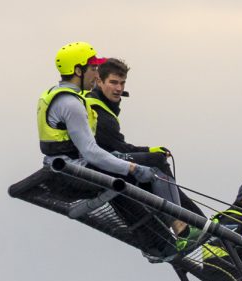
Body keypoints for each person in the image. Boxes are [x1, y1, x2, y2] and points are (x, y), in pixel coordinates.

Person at [38, 42, 186, 234]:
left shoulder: (57, 95)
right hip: (72, 172)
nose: (96, 74)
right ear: (77, 70)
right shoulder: (70, 103)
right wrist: (132, 167)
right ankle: (180, 228)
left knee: (131, 173)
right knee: (142, 168)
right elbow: (90, 152)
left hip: (68, 167)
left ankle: (163, 238)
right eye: (93, 69)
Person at [86, 58, 201, 215]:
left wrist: (149, 150)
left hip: (107, 160)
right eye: (113, 82)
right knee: (157, 160)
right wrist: (150, 150)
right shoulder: (99, 110)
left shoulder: (103, 105)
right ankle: (190, 219)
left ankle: (187, 220)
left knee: (153, 170)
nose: (119, 88)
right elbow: (119, 147)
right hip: (101, 164)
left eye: (122, 83)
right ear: (99, 82)